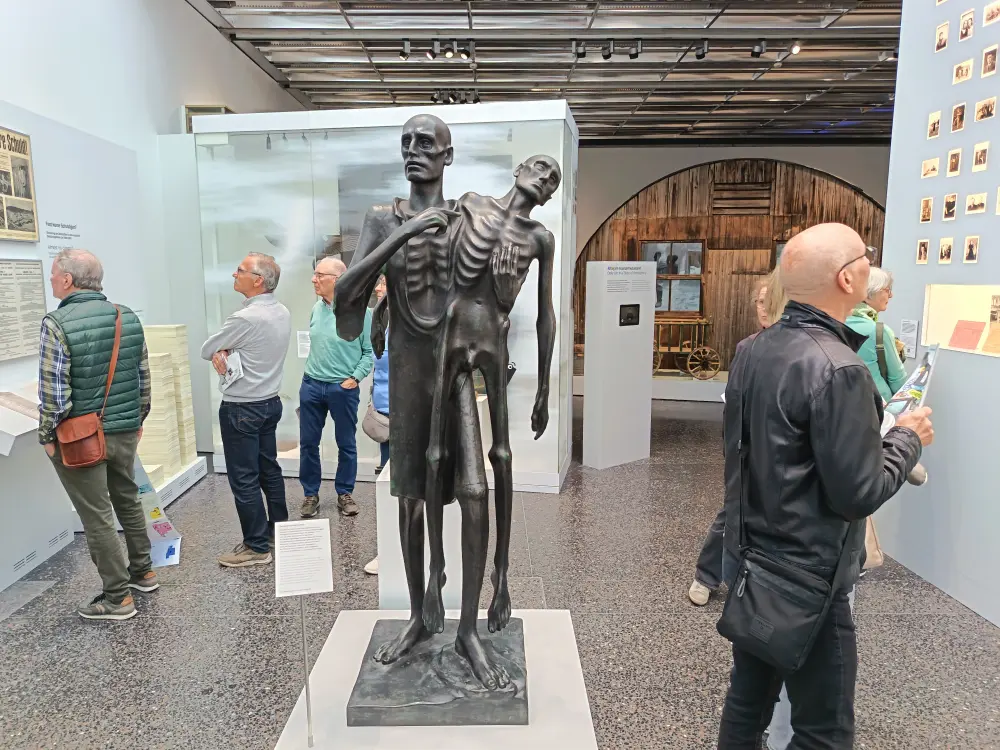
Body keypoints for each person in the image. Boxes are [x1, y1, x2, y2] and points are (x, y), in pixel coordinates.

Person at [717, 223, 933, 749]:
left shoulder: (754, 349)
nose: (871, 265)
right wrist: (906, 439)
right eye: (867, 257)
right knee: (825, 730)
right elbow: (859, 493)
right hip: (809, 582)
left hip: (753, 565)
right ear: (847, 277)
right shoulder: (840, 369)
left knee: (747, 706)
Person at [39, 249, 156, 621]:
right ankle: (144, 573)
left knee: (96, 514)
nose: (52, 280)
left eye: (55, 274)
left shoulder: (56, 323)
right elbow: (143, 377)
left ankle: (118, 598)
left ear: (69, 280)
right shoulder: (127, 316)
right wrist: (138, 418)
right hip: (124, 429)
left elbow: (55, 392)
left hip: (80, 437)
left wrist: (47, 434)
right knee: (127, 499)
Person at [688, 268, 786, 606]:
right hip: (750, 448)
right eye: (759, 302)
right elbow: (733, 406)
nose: (762, 308)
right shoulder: (748, 348)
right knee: (734, 511)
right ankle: (706, 575)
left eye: (768, 302)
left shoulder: (797, 349)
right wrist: (734, 452)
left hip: (785, 449)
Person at [201, 252, 291, 568]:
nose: (234, 274)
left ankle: (256, 547)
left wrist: (223, 349)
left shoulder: (246, 318)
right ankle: (279, 531)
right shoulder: (280, 311)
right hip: (269, 403)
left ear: (258, 280)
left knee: (244, 478)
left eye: (240, 270)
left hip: (242, 408)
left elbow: (205, 350)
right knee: (269, 468)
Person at [299, 256, 374, 519]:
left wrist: (355, 378)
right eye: (315, 274)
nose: (314, 279)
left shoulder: (362, 314)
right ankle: (310, 494)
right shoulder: (316, 309)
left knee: (346, 443)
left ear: (338, 280)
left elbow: (369, 352)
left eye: (320, 275)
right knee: (308, 443)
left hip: (342, 389)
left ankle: (345, 493)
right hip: (311, 386)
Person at [846, 265, 907, 403]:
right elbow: (898, 381)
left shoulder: (834, 322)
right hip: (877, 407)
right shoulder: (879, 331)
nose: (891, 295)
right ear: (868, 294)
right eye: (887, 290)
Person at [364, 276, 389, 577]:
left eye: (384, 283)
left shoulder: (418, 319)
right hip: (385, 412)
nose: (378, 287)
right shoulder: (378, 317)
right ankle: (390, 548)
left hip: (413, 413)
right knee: (389, 485)